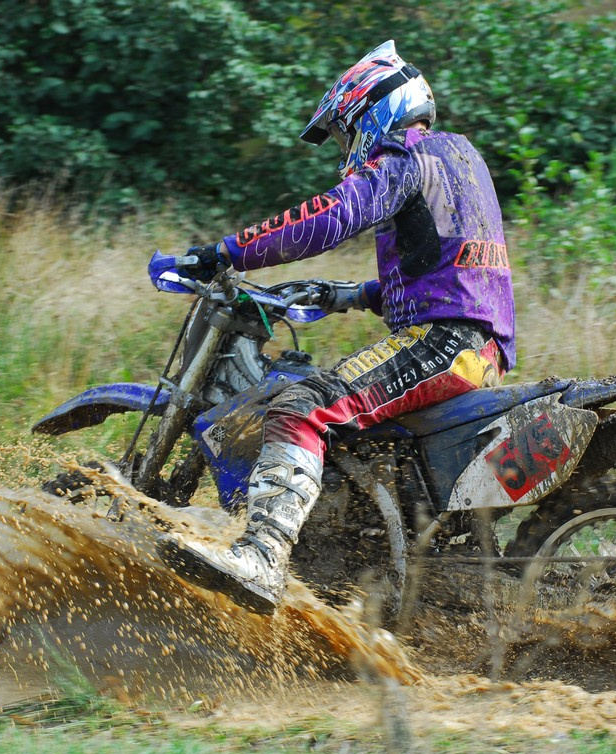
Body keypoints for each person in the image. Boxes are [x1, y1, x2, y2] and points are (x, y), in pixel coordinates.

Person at [162, 40, 515, 615]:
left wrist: (225, 252)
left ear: (374, 112)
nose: (349, 149)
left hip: (446, 343)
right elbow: (448, 267)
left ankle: (262, 557)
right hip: (469, 342)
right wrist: (350, 294)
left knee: (300, 405)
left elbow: (330, 216)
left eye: (347, 133)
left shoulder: (403, 159)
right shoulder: (458, 156)